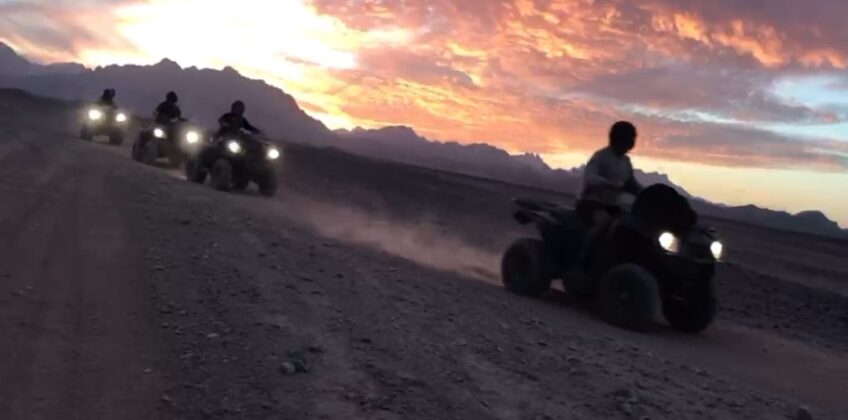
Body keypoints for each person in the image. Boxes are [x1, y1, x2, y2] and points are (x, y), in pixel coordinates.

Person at [577, 121, 643, 226]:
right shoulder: (601, 156)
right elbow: (590, 178)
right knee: (603, 224)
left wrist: (648, 193)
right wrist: (610, 184)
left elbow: (632, 183)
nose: (632, 142)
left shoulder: (626, 161)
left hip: (612, 206)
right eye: (630, 138)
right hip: (591, 204)